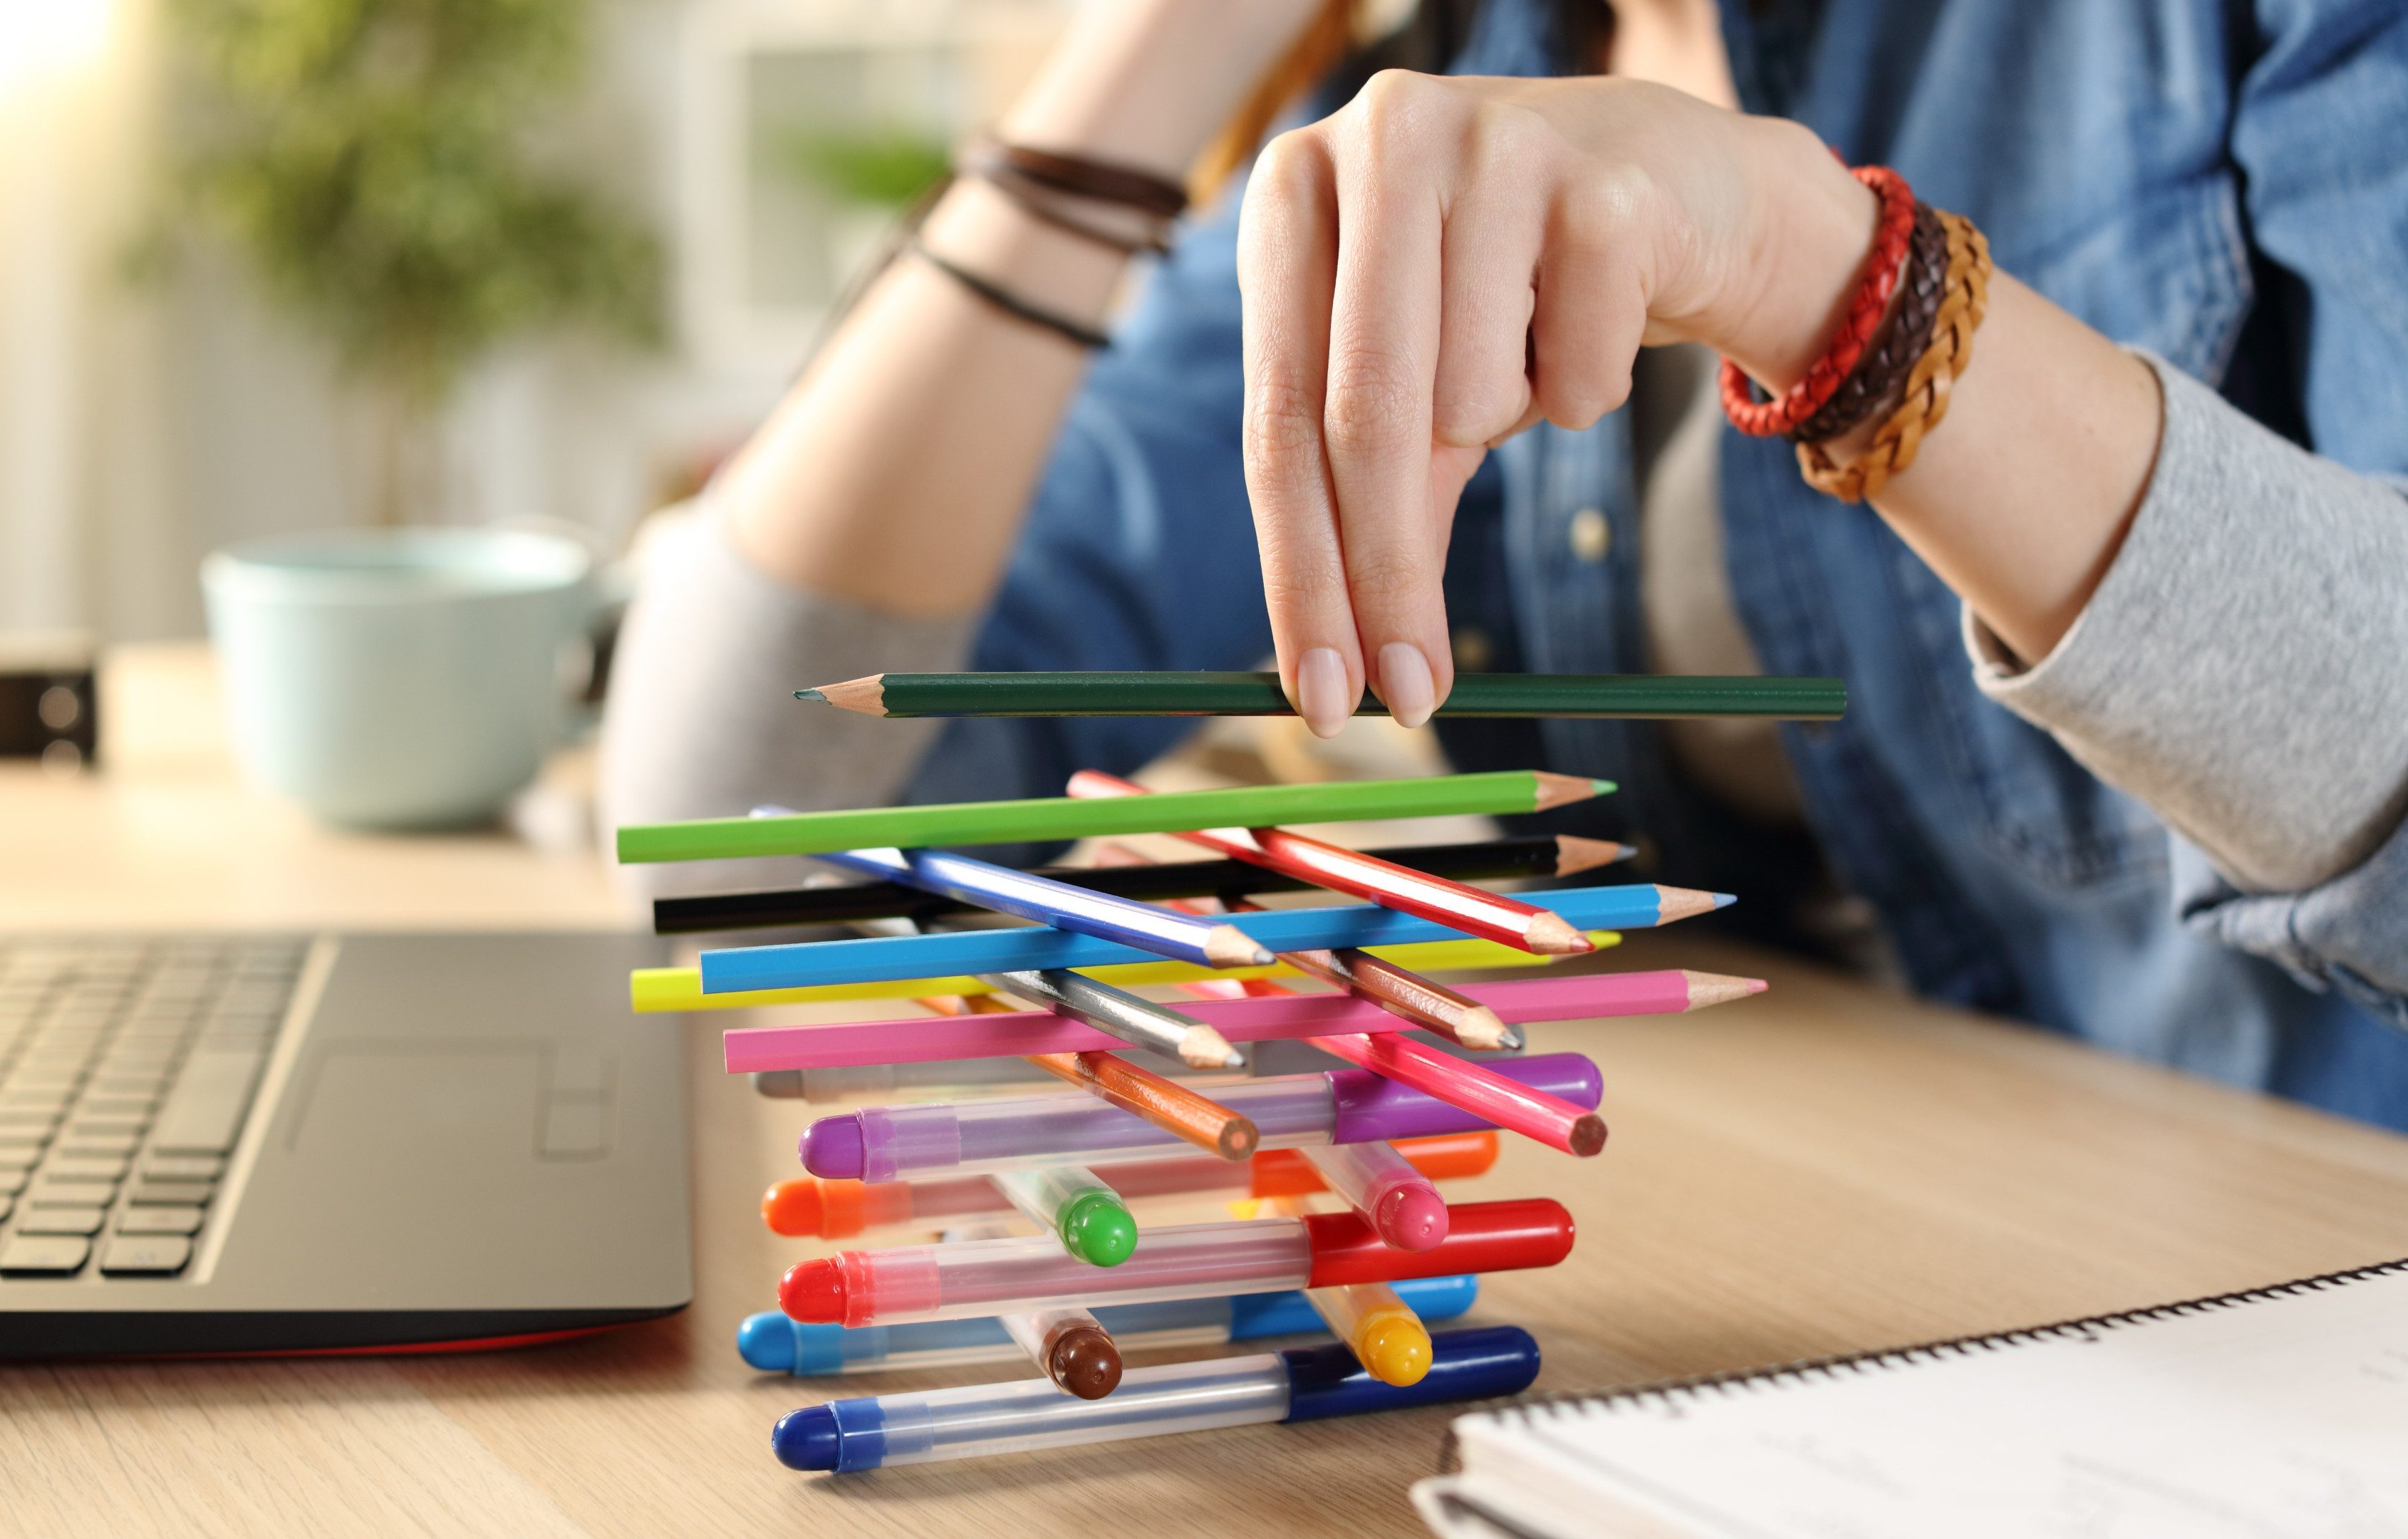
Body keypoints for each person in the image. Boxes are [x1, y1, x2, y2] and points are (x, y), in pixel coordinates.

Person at [603, 0, 2408, 1130]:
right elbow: (750, 847)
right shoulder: (1438, 125)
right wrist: (1144, 63)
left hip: (2297, 1306)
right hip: (1842, 1332)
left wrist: (1822, 275)